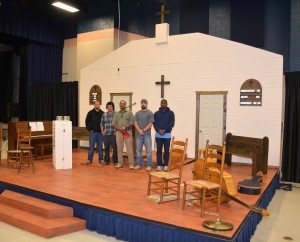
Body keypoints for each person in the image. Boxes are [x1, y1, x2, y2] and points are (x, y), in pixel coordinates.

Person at [112, 100, 135, 169]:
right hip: (119, 132)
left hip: (127, 132)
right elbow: (113, 124)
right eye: (121, 104)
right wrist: (120, 129)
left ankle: (131, 164)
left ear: (125, 105)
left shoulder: (130, 113)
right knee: (119, 148)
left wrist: (124, 128)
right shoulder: (116, 114)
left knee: (129, 148)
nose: (122, 105)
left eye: (123, 104)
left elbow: (132, 123)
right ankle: (120, 163)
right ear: (119, 105)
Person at [153, 99, 175, 171]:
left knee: (166, 150)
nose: (163, 104)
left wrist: (164, 130)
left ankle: (166, 165)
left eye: (164, 103)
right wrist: (158, 130)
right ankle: (159, 165)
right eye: (162, 103)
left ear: (167, 104)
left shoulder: (171, 113)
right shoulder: (156, 113)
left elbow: (171, 123)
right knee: (159, 150)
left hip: (167, 135)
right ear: (160, 104)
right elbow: (154, 123)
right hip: (158, 135)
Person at [134, 99, 154, 172]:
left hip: (147, 135)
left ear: (147, 104)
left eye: (144, 103)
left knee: (148, 151)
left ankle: (149, 165)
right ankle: (139, 164)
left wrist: (143, 130)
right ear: (140, 104)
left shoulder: (150, 113)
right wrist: (139, 130)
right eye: (142, 103)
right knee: (138, 151)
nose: (143, 104)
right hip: (138, 135)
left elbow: (150, 124)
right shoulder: (137, 113)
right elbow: (135, 123)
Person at [100, 101, 118, 166]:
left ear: (113, 107)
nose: (109, 107)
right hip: (106, 134)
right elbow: (102, 124)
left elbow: (118, 124)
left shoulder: (116, 114)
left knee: (115, 148)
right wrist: (102, 131)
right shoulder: (104, 114)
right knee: (106, 148)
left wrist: (117, 131)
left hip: (113, 134)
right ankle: (106, 161)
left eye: (111, 106)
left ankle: (115, 161)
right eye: (108, 106)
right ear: (106, 107)